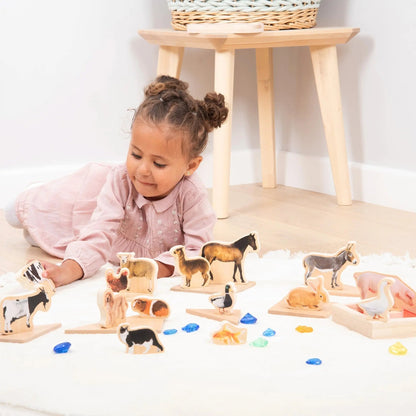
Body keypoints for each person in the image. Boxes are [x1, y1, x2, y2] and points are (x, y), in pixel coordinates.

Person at [5, 75, 229, 287]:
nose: (142, 170)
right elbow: (98, 233)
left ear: (190, 166)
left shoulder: (191, 194)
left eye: (158, 164)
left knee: (50, 237)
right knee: (18, 213)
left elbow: (198, 248)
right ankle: (33, 198)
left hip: (123, 240)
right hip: (92, 202)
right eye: (136, 155)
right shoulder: (120, 180)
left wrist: (156, 268)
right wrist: (67, 270)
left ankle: (40, 231)